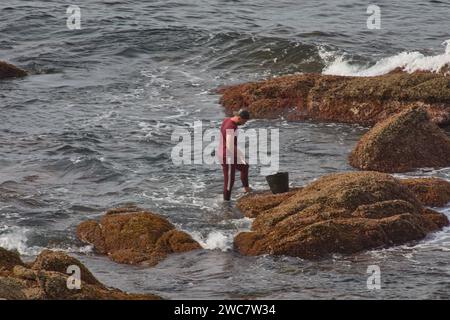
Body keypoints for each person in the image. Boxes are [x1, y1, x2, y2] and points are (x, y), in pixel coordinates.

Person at [218, 109, 252, 201]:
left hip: (227, 152)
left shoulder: (227, 120)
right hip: (227, 156)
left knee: (244, 166)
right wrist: (240, 155)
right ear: (239, 118)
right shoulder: (231, 126)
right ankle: (226, 203)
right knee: (229, 181)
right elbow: (230, 146)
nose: (244, 123)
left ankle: (246, 189)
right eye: (244, 121)